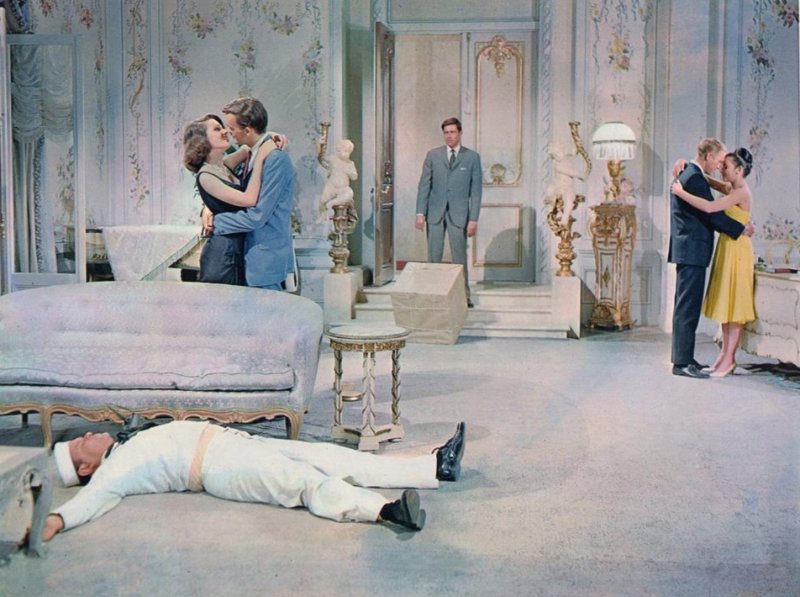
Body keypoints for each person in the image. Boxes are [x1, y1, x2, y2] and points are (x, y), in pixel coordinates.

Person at [40, 420, 467, 542]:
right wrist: (57, 520)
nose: (89, 435)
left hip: (232, 442)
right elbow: (91, 501)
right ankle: (385, 510)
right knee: (303, 481)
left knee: (330, 456)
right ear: (86, 469)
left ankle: (432, 467)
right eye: (81, 444)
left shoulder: (126, 442)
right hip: (219, 466)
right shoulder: (112, 472)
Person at [668, 138, 750, 379]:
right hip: (692, 250)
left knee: (686, 307)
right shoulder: (693, 177)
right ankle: (682, 363)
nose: (720, 166)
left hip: (690, 249)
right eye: (719, 160)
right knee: (687, 308)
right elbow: (711, 214)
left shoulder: (694, 174)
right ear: (708, 156)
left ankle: (684, 358)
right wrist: (741, 229)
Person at [205, 97, 295, 291]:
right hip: (250, 256)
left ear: (248, 130)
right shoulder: (252, 154)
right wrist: (208, 207)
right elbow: (224, 181)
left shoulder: (275, 159)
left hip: (265, 258)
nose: (228, 132)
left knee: (269, 310)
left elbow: (258, 216)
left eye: (231, 128)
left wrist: (217, 222)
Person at [183, 113, 277, 285]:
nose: (225, 131)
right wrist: (261, 158)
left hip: (239, 247)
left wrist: (272, 136)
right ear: (201, 140)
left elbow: (251, 144)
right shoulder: (205, 176)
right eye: (217, 129)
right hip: (222, 255)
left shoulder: (224, 165)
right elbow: (249, 200)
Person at [416, 117, 483, 308]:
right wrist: (420, 213)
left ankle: (464, 297)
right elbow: (424, 186)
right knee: (433, 257)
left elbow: (476, 191)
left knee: (459, 258)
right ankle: (432, 296)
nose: (449, 136)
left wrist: (473, 219)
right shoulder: (433, 155)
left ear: (460, 133)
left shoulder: (472, 157)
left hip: (460, 215)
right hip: (435, 213)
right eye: (446, 132)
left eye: (453, 132)